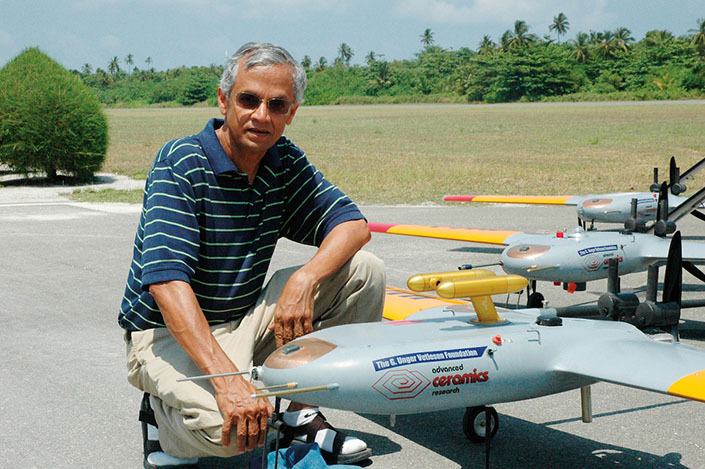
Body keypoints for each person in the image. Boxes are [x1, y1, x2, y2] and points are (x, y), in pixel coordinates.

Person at [119, 42, 385, 468]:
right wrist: (229, 385)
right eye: (248, 99)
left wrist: (305, 279)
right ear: (224, 100)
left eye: (276, 104)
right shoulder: (181, 162)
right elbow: (167, 284)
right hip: (168, 332)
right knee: (235, 436)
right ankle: (162, 418)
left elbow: (353, 226)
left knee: (363, 273)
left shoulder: (282, 160)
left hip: (243, 318)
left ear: (291, 112)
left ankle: (299, 410)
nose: (261, 115)